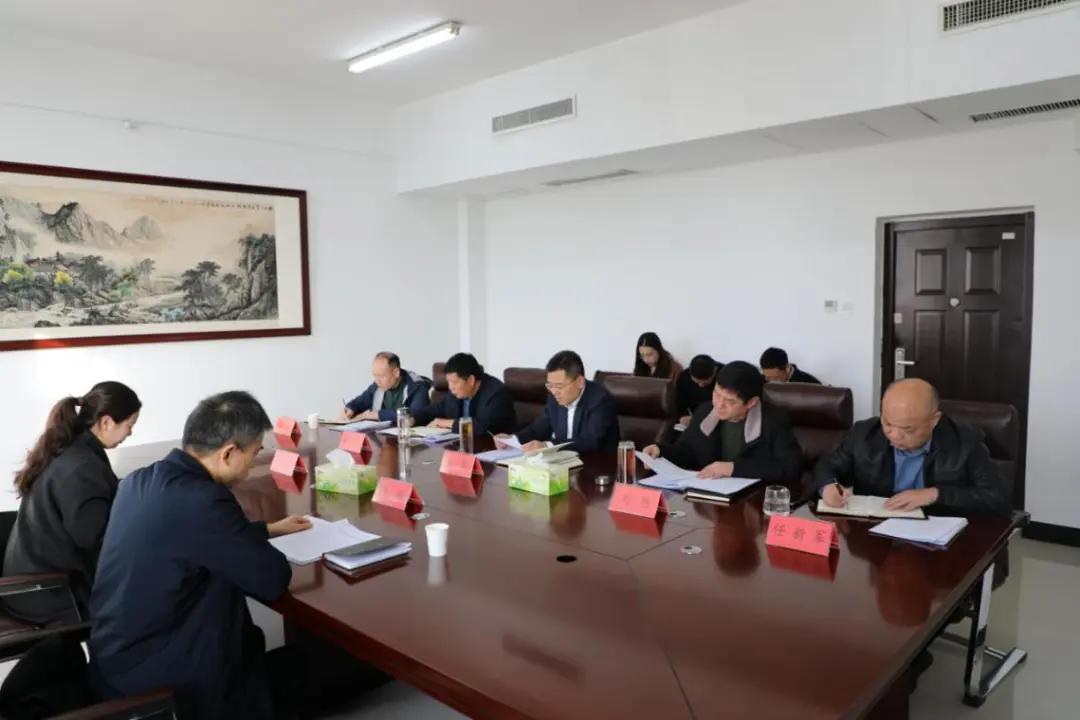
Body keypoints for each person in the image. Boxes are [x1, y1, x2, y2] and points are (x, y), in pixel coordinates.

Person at [89, 391, 312, 720]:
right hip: (159, 676)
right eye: (254, 453)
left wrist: (266, 529)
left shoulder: (141, 480)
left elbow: (191, 538)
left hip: (116, 658)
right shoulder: (204, 499)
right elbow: (272, 578)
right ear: (228, 453)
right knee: (301, 673)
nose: (253, 465)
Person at [2, 382, 141, 626]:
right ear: (106, 422)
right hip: (51, 596)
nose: (130, 433)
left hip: (33, 587)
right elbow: (98, 542)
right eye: (130, 425)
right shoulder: (83, 467)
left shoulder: (69, 451)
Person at [814, 378, 1009, 516]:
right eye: (888, 423)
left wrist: (935, 494)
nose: (894, 435)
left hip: (938, 535)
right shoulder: (864, 434)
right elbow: (827, 465)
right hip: (876, 533)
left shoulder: (965, 442)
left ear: (934, 420)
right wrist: (827, 486)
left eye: (908, 429)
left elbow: (997, 499)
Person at [643, 361, 802, 483]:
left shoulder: (773, 420)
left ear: (751, 402)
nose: (719, 405)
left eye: (729, 401)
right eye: (717, 394)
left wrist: (733, 468)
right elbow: (686, 450)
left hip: (752, 502)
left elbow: (791, 468)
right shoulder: (705, 412)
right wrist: (661, 451)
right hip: (708, 496)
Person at [504, 350, 620, 454]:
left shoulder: (600, 400)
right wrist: (512, 439)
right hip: (563, 462)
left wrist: (547, 445)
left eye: (559, 386)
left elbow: (591, 441)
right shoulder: (554, 396)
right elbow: (539, 428)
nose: (554, 392)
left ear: (580, 382)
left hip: (596, 464)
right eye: (550, 385)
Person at [412, 353, 516, 435]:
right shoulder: (455, 394)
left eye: (454, 382)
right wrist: (413, 419)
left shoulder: (496, 394)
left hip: (490, 448)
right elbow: (433, 410)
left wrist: (447, 423)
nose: (450, 387)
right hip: (460, 447)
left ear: (470, 380)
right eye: (448, 382)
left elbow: (482, 427)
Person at [343, 352, 431, 421]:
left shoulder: (417, 386)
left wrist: (377, 414)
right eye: (375, 375)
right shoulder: (378, 385)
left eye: (381, 376)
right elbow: (361, 401)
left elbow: (416, 413)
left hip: (408, 436)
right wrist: (350, 408)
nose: (377, 381)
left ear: (396, 373)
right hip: (384, 435)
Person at [675, 354, 723, 425]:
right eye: (696, 382)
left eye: (705, 383)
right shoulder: (684, 377)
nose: (701, 386)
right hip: (693, 417)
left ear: (714, 371)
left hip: (717, 418)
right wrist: (683, 416)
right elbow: (679, 401)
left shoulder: (725, 376)